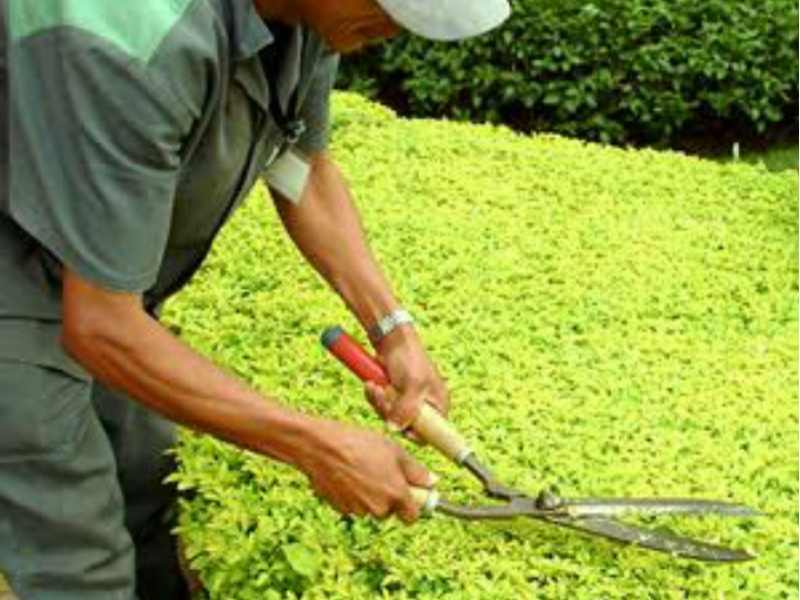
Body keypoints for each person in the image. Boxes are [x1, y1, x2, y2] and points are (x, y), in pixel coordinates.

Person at [0, 0, 510, 598]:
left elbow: (300, 167)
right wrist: (315, 446)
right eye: (390, 8)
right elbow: (101, 329)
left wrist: (394, 329)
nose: (396, 31)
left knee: (149, 489)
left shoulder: (313, 21)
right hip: (24, 273)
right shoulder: (132, 39)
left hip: (100, 277)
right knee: (81, 562)